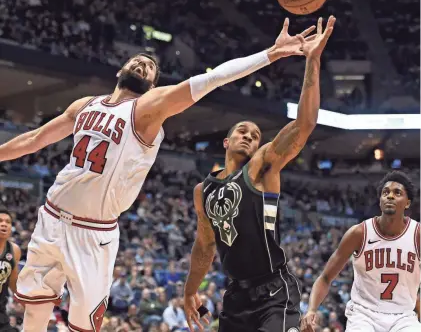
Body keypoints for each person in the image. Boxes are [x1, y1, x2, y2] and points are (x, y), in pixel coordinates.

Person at [0, 18, 315, 332]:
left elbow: (214, 79)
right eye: (137, 60)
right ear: (120, 69)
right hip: (51, 217)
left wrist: (271, 53)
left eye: (150, 66)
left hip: (92, 232)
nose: (142, 63)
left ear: (152, 86)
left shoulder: (147, 108)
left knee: (82, 327)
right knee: (35, 309)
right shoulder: (85, 105)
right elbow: (33, 139)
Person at [184, 16, 336, 332]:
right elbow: (204, 245)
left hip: (274, 290)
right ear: (226, 141)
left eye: (255, 135)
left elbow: (304, 125)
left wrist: (313, 61)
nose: (250, 136)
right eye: (242, 131)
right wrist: (189, 292)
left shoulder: (262, 166)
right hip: (236, 296)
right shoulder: (204, 190)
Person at [301, 170, 421, 332]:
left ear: (407, 203)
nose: (390, 196)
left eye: (397, 192)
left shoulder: (417, 234)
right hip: (364, 315)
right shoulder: (359, 233)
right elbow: (326, 277)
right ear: (380, 201)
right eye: (385, 193)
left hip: (403, 316)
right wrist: (311, 310)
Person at [0, 207, 21, 332]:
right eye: (0, 221)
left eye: (8, 222)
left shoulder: (14, 250)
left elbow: (13, 283)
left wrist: (26, 300)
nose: (4, 224)